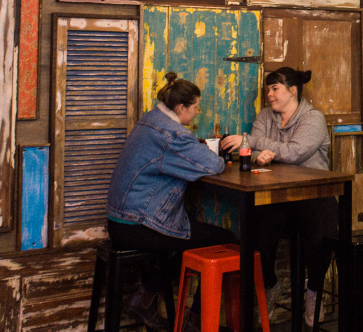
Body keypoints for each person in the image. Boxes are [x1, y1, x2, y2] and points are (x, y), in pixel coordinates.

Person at [107, 72, 235, 332]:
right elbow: (214, 164)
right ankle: (196, 320)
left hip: (120, 220)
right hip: (139, 225)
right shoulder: (173, 134)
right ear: (180, 108)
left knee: (193, 241)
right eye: (195, 107)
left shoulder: (150, 120)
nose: (197, 112)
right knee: (225, 242)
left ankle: (147, 295)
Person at [220, 67, 334, 327]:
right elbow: (252, 148)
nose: (269, 94)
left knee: (320, 233)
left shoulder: (313, 119)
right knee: (255, 230)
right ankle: (270, 284)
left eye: (275, 89)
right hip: (278, 195)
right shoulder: (265, 116)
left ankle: (314, 291)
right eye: (268, 89)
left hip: (314, 194)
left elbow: (293, 153)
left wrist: (252, 141)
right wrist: (257, 152)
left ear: (293, 91)